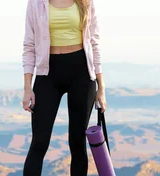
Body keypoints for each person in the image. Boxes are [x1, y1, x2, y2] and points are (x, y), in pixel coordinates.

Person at [20, 0, 106, 175]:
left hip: (82, 73)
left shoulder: (86, 2)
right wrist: (27, 87)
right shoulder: (36, 3)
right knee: (39, 141)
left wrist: (101, 88)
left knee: (77, 141)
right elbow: (29, 46)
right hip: (47, 75)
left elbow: (94, 43)